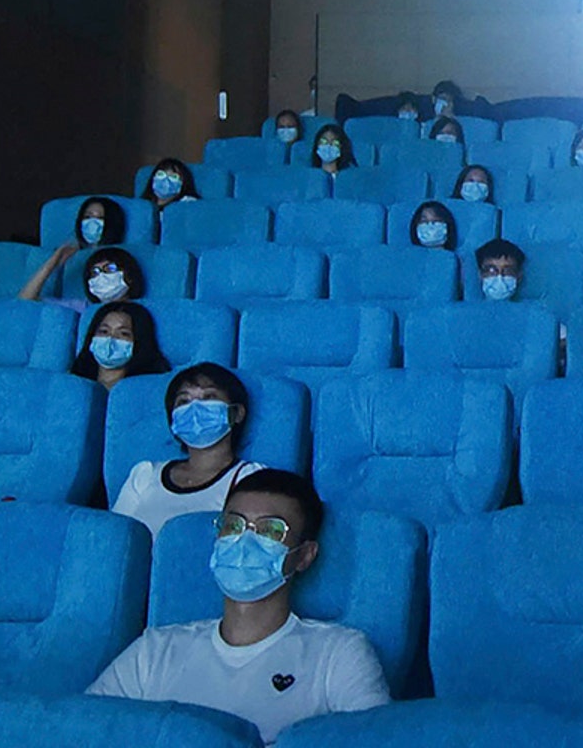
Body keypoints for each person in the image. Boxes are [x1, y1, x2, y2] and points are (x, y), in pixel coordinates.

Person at [87, 469, 390, 742]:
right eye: (233, 525)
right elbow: (86, 731)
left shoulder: (339, 654)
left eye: (271, 531)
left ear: (305, 556)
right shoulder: (154, 651)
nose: (244, 541)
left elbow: (376, 741)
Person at [110, 362, 267, 536]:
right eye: (184, 401)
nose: (194, 408)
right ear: (173, 420)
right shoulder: (145, 474)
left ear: (237, 413)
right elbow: (115, 538)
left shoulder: (250, 477)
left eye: (209, 397)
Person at [69, 301, 171, 390]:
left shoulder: (150, 389)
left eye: (123, 333)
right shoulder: (73, 385)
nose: (110, 338)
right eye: (104, 331)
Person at [21, 245, 146, 310]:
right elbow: (25, 301)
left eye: (110, 269)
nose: (101, 276)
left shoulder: (146, 308)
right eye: (94, 273)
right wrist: (54, 261)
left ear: (129, 276)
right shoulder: (83, 308)